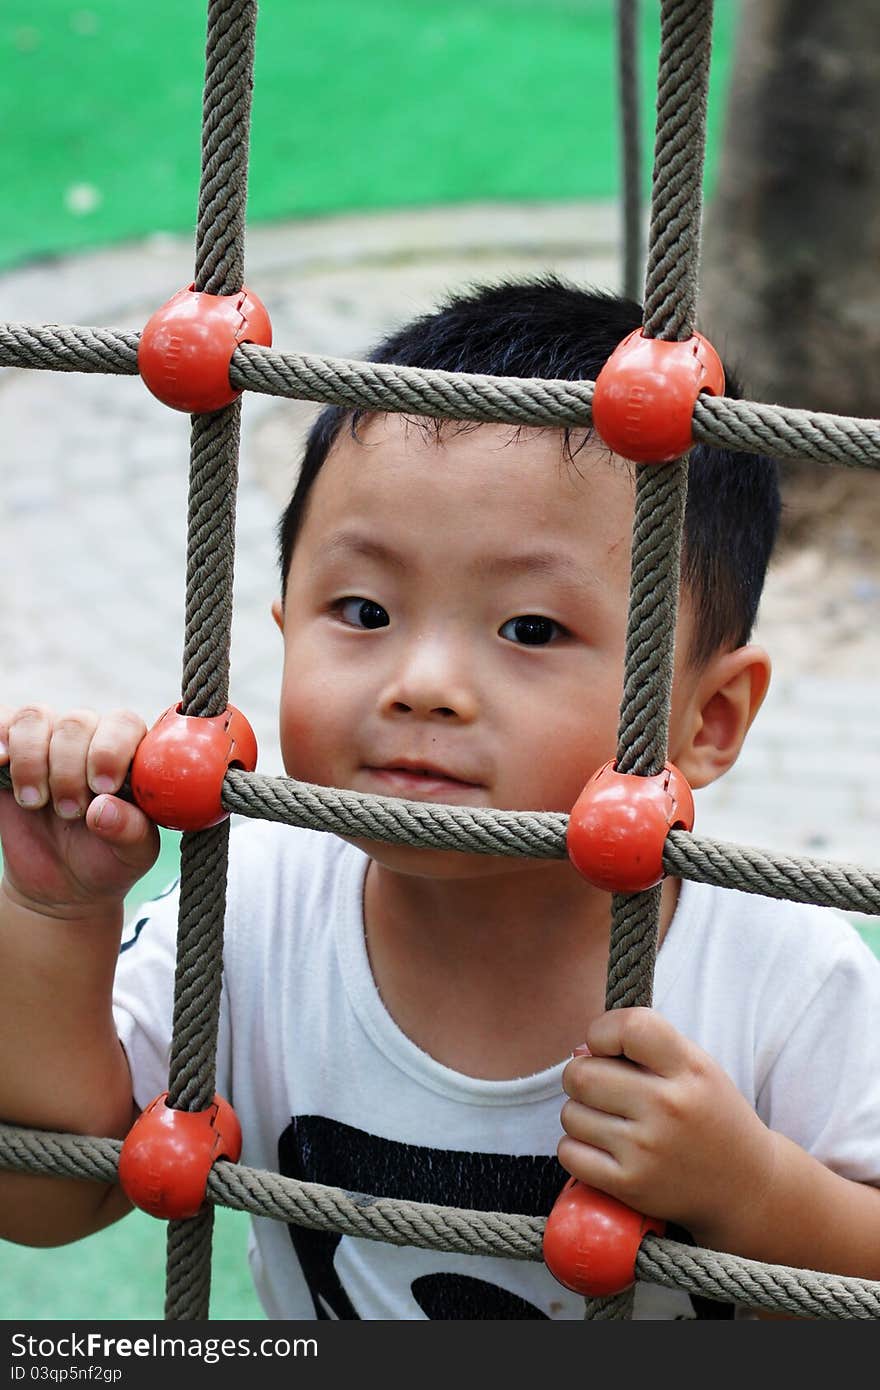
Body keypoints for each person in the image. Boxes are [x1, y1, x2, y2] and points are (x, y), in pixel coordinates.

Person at [2, 277, 880, 1322]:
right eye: (363, 609)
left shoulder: (781, 971)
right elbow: (51, 1195)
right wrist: (56, 917)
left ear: (710, 719)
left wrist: (753, 1191)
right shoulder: (257, 905)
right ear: (283, 630)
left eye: (530, 630)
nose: (422, 682)